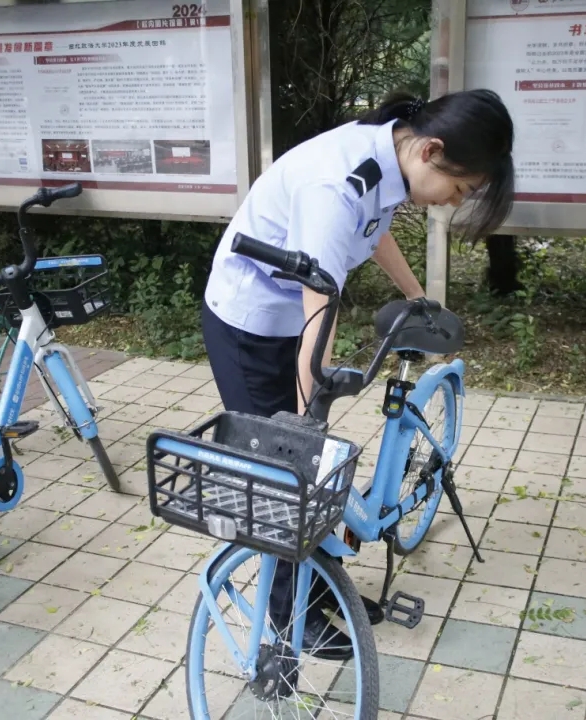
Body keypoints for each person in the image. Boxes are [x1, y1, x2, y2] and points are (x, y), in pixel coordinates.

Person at [200, 89, 514, 659]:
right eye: (460, 189)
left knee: (311, 469)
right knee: (285, 474)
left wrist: (419, 298)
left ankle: (320, 587)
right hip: (249, 323)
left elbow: (373, 234)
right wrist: (304, 426)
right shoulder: (333, 187)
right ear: (431, 151)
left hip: (292, 314)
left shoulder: (388, 156)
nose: (452, 202)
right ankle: (288, 615)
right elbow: (318, 308)